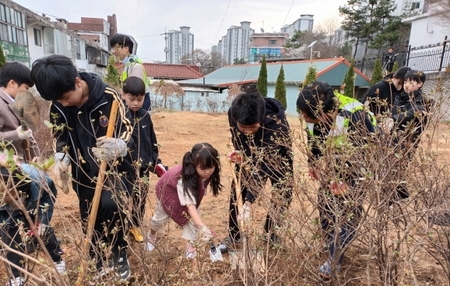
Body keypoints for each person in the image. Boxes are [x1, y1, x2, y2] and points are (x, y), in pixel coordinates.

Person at [30, 54, 135, 282]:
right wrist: (61, 156)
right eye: (59, 100)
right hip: (83, 172)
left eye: (66, 98)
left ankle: (118, 252)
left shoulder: (108, 97)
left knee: (111, 206)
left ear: (78, 82)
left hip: (115, 170)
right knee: (90, 215)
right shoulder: (59, 104)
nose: (64, 103)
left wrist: (121, 144)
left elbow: (128, 129)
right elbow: (59, 132)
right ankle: (98, 256)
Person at [297, 81, 376, 279]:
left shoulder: (355, 115)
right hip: (333, 164)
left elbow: (371, 151)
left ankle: (335, 259)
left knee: (347, 213)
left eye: (306, 115)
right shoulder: (313, 116)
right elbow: (313, 138)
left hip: (357, 167)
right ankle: (328, 242)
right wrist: (313, 162)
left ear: (324, 113)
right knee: (325, 206)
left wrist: (349, 181)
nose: (303, 118)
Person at [219, 87, 293, 252]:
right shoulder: (234, 113)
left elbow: (264, 165)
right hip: (248, 153)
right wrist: (239, 150)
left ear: (260, 119)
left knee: (283, 191)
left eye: (252, 127)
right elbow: (236, 136)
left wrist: (249, 202)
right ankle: (234, 235)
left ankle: (271, 235)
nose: (246, 131)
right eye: (243, 127)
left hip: (277, 155)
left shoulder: (275, 123)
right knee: (237, 190)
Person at [145, 143, 222, 259]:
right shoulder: (183, 178)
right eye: (203, 168)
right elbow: (190, 206)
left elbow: (192, 207)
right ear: (193, 164)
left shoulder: (206, 172)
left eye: (211, 167)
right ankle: (152, 235)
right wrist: (203, 228)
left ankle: (191, 247)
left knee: (192, 220)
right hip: (168, 193)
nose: (208, 172)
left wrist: (199, 226)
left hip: (190, 194)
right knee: (159, 219)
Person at [1, 155, 65, 286]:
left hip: (33, 201)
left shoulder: (36, 178)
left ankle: (57, 260)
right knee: (8, 234)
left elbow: (49, 195)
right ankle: (16, 276)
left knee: (41, 228)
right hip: (7, 210)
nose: (3, 196)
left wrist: (43, 219)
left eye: (7, 193)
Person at [121, 76, 167, 243]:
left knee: (139, 199)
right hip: (125, 169)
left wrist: (155, 161)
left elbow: (152, 142)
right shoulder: (121, 117)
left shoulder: (145, 117)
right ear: (123, 95)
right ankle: (120, 228)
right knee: (123, 198)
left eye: (139, 99)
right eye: (131, 99)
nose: (135, 103)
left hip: (144, 169)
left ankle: (134, 225)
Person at [381, 70, 430, 203]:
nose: (406, 85)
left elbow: (413, 112)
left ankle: (390, 200)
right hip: (394, 138)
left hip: (407, 140)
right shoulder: (400, 97)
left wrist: (394, 119)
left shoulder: (420, 102)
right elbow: (393, 112)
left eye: (411, 82)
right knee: (393, 167)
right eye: (406, 82)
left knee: (395, 167)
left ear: (420, 84)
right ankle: (402, 194)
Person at [0, 62, 39, 163]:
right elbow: (20, 134)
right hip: (7, 169)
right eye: (26, 88)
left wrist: (38, 158)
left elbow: (28, 135)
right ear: (12, 83)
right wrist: (16, 134)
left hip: (23, 166)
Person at [110, 33, 151, 111]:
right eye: (113, 48)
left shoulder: (135, 67)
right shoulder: (127, 66)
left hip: (138, 110)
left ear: (126, 48)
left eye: (116, 48)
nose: (113, 52)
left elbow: (135, 92)